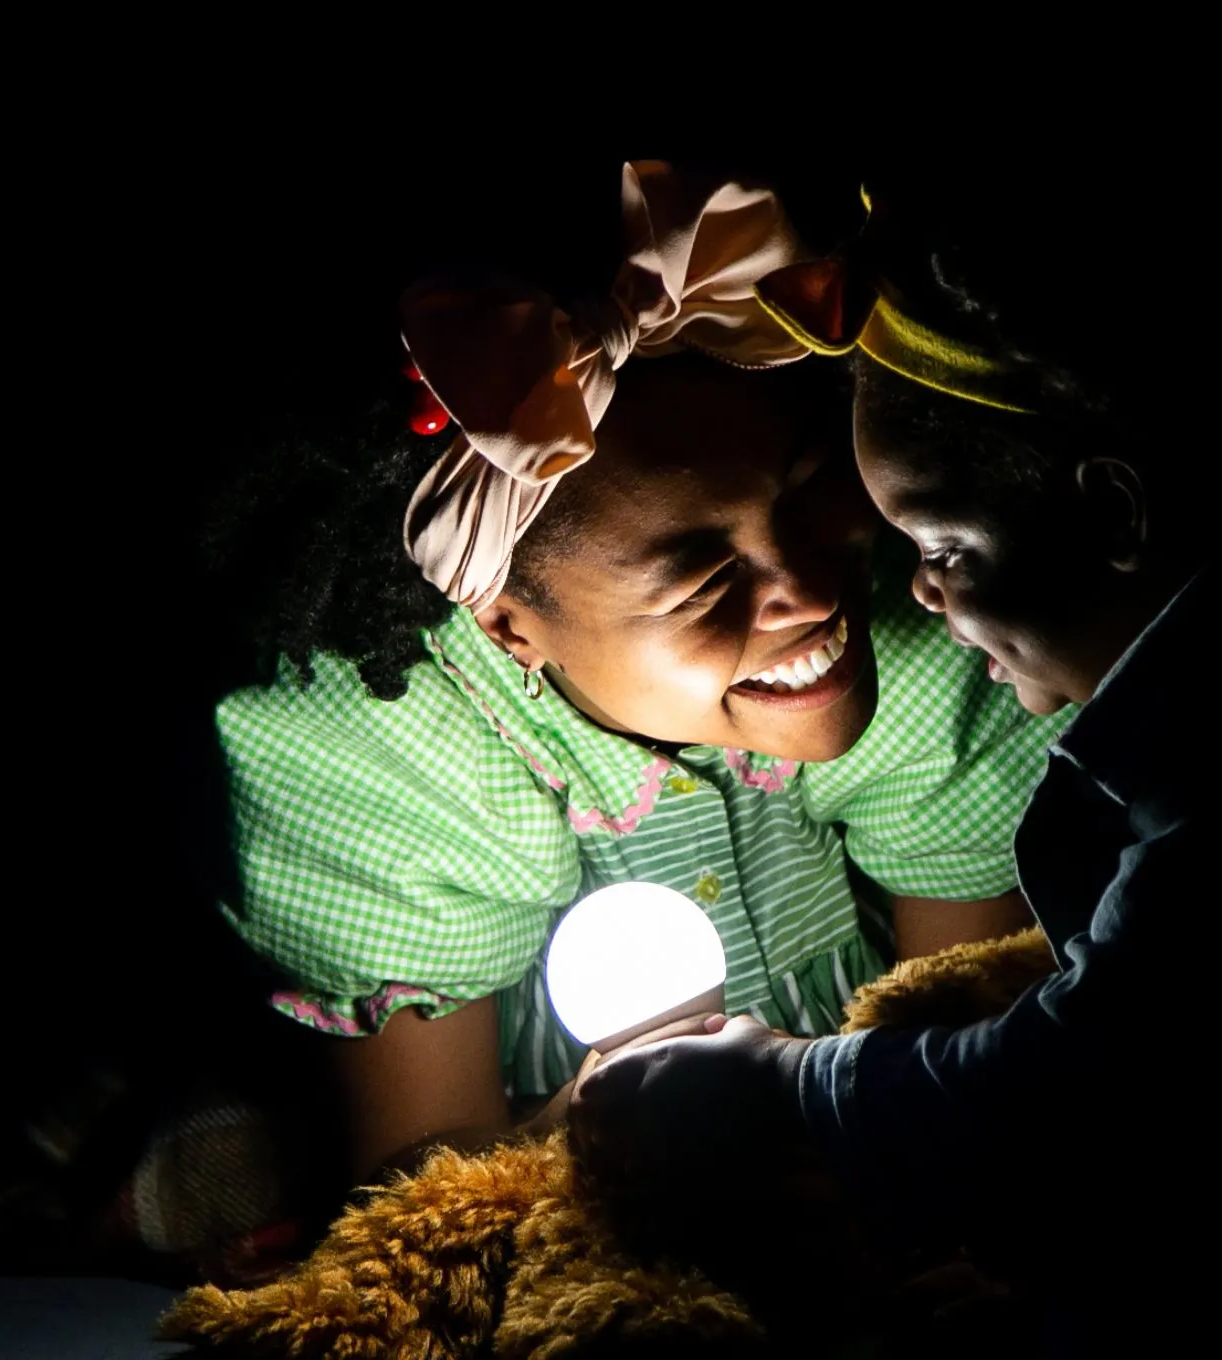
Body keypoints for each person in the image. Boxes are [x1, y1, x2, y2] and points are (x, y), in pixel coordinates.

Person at [570, 166, 1222, 1342]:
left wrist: (787, 1087)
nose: (916, 590)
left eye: (946, 542)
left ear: (1115, 514)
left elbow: (1089, 1097)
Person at [196, 160, 1072, 1235]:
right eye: (704, 581)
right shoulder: (386, 756)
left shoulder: (936, 625)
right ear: (509, 625)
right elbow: (428, 1196)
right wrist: (617, 1143)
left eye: (803, 492)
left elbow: (954, 1060)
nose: (804, 591)